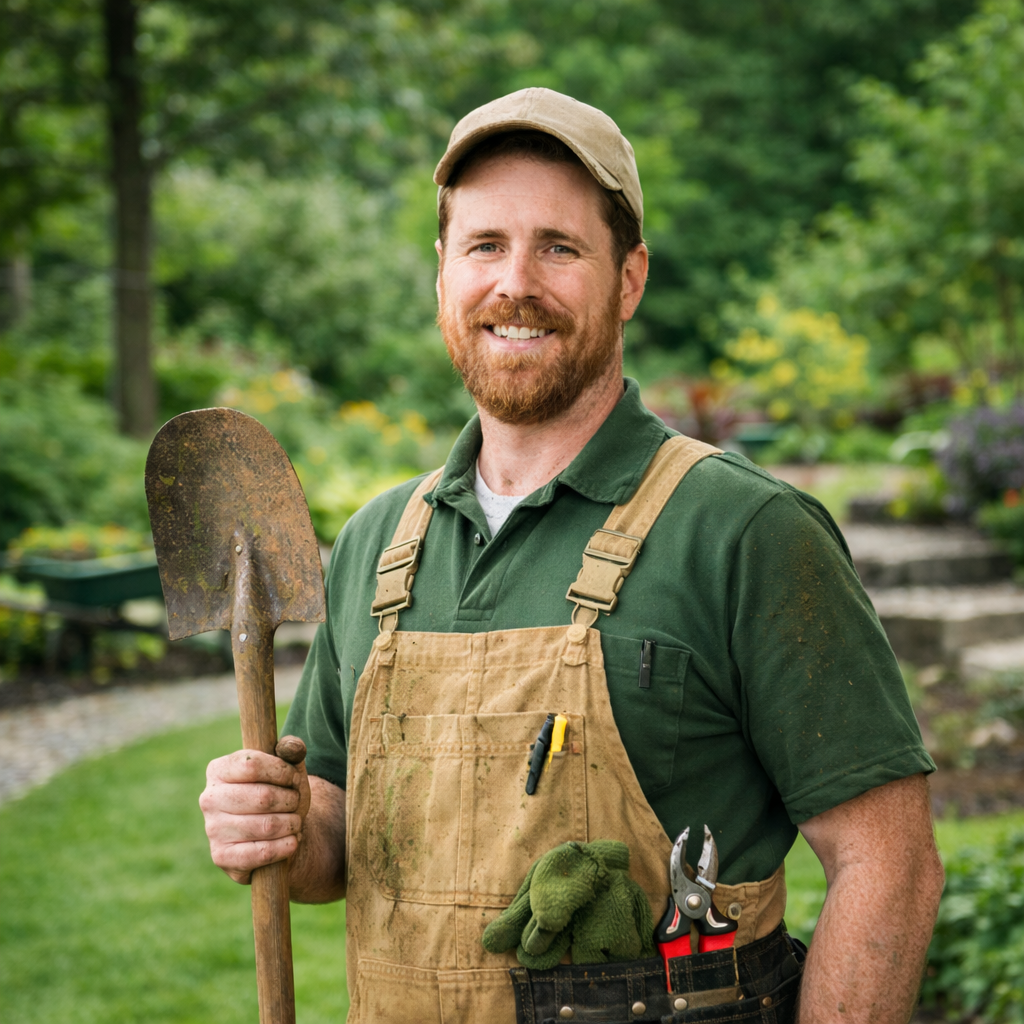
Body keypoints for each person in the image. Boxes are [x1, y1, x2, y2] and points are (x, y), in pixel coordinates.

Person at [200, 88, 944, 1023]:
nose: (515, 283)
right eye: (484, 246)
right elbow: (333, 839)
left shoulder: (745, 533)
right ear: (441, 275)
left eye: (558, 247)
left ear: (629, 279)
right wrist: (280, 823)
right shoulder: (375, 544)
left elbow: (890, 862)